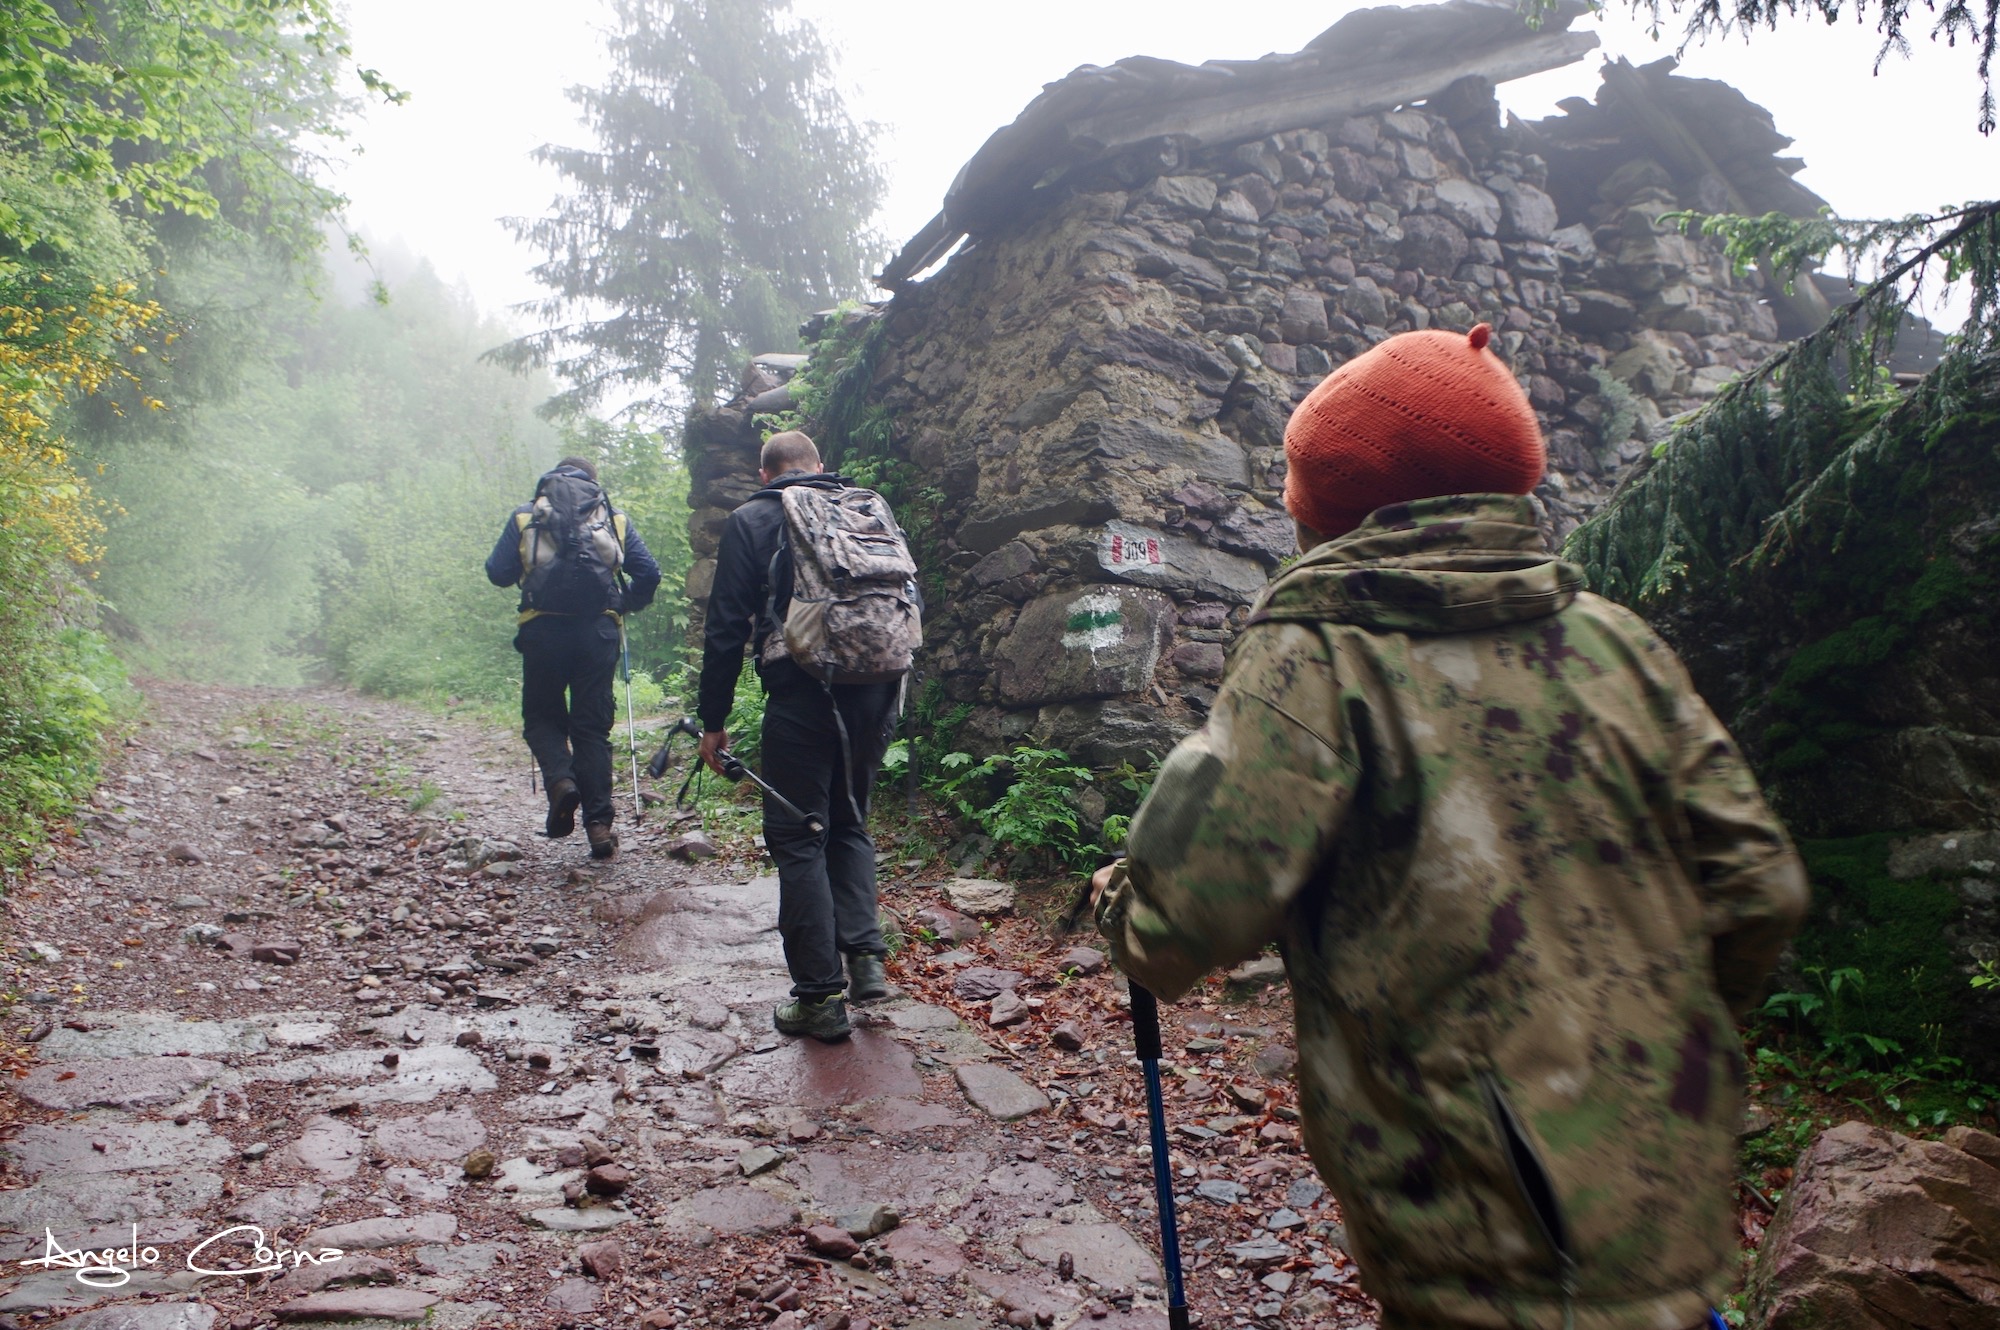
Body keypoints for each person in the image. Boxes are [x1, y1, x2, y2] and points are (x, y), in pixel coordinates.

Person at [1092, 324, 1808, 1330]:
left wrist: (1121, 908)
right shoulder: (1615, 643)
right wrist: (1662, 1052)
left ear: (1331, 512)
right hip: (1667, 1183)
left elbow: (1188, 914)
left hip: (1479, 1226)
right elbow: (1760, 887)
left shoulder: (1320, 653)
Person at [696, 430, 900, 1042]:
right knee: (849, 819)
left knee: (798, 834)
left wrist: (713, 720)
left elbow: (726, 628)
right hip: (879, 683)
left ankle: (818, 998)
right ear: (821, 466)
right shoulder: (865, 509)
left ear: (765, 476)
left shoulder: (753, 519)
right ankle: (864, 959)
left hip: (803, 687)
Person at [486, 455, 662, 860]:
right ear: (592, 484)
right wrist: (622, 601)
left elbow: (496, 572)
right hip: (596, 632)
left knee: (542, 717)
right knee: (591, 728)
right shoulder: (612, 518)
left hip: (543, 631)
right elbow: (648, 574)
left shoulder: (526, 516)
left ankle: (562, 782)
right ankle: (599, 827)